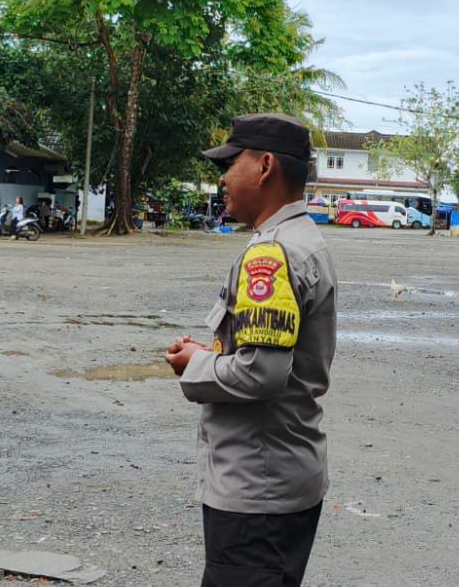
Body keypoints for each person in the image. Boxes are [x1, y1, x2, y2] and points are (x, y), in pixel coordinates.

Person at [165, 114, 338, 587]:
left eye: (230, 164)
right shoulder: (302, 239)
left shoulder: (271, 253)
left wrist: (194, 365)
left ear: (264, 167)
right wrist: (213, 352)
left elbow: (261, 373)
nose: (223, 178)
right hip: (278, 479)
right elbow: (266, 352)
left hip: (257, 491)